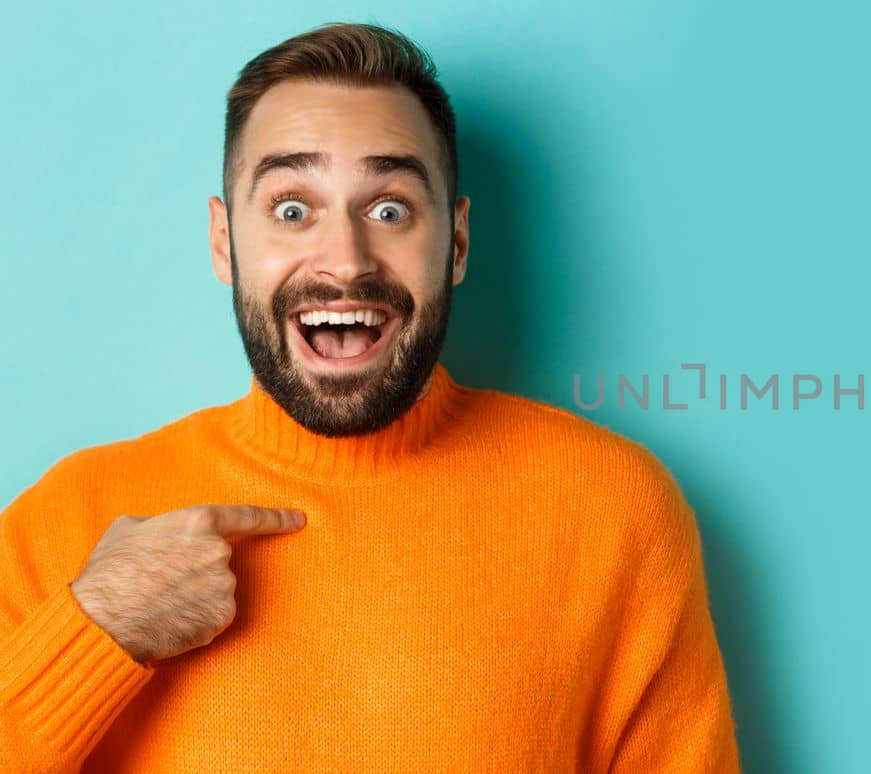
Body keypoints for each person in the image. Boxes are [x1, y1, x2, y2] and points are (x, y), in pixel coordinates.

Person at [0, 22, 740, 772]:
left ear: (455, 243)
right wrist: (97, 632)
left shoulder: (613, 510)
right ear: (224, 242)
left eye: (389, 209)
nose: (346, 262)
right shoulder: (70, 525)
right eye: (293, 209)